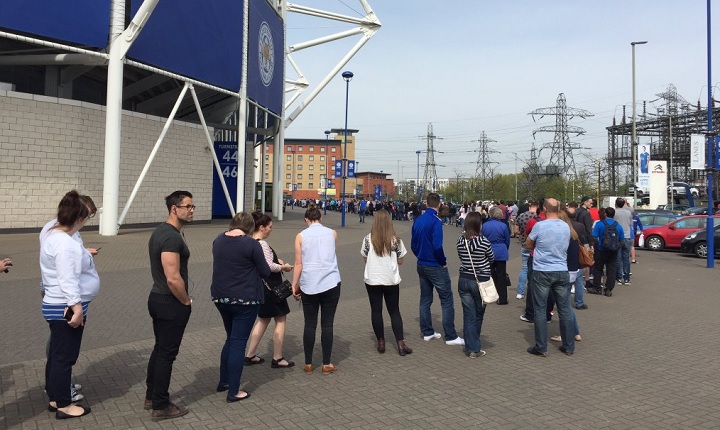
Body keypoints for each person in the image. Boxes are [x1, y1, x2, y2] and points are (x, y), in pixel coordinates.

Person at [40, 190, 98, 419]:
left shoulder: (55, 234)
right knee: (65, 357)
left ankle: (56, 397)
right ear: (79, 217)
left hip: (56, 304)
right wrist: (76, 308)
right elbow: (67, 279)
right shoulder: (64, 243)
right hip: (65, 307)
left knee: (57, 354)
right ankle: (64, 404)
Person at [211, 212, 271, 402]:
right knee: (238, 343)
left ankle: (224, 381)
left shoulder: (218, 240)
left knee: (230, 338)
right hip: (245, 299)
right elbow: (265, 271)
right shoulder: (251, 244)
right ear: (250, 228)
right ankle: (234, 391)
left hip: (221, 298)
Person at [145, 191, 194, 421]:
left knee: (160, 349)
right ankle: (161, 405)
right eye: (188, 206)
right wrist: (185, 301)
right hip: (168, 301)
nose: (192, 210)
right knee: (166, 354)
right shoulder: (170, 237)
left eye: (193, 206)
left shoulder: (163, 232)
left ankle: (151, 396)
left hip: (159, 299)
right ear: (174, 208)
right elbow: (173, 277)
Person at [291, 204, 341, 375]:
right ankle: (326, 363)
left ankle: (308, 363)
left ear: (306, 220)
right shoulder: (332, 233)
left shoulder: (300, 236)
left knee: (310, 324)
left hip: (309, 283)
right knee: (327, 324)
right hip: (330, 282)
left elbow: (299, 264)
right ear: (320, 218)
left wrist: (294, 284)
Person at [411, 192, 464, 346]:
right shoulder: (436, 222)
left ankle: (427, 331)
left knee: (425, 299)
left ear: (426, 204)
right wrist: (443, 261)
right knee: (446, 299)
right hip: (435, 264)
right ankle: (451, 336)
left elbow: (413, 245)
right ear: (439, 205)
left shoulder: (418, 220)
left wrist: (420, 255)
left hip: (421, 263)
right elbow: (437, 246)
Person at [525, 198, 574, 357]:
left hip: (542, 270)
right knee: (564, 308)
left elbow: (528, 243)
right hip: (561, 269)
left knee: (540, 308)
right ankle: (568, 346)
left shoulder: (540, 225)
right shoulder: (565, 226)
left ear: (544, 209)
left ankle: (541, 346)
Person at [244, 212, 295, 369]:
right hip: (271, 288)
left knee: (263, 319)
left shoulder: (248, 242)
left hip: (259, 287)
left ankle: (250, 354)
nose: (271, 230)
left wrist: (275, 261)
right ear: (261, 227)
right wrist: (283, 266)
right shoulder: (262, 244)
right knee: (280, 318)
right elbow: (268, 266)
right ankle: (278, 358)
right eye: (270, 227)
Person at [361, 209, 412, 356]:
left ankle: (381, 342)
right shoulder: (396, 240)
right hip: (390, 279)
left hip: (373, 279)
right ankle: (401, 344)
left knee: (376, 310)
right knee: (394, 311)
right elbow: (401, 261)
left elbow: (365, 257)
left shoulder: (368, 239)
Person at [455, 212, 494, 358]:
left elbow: (461, 256)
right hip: (480, 281)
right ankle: (474, 347)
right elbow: (491, 257)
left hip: (464, 279)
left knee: (468, 313)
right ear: (479, 225)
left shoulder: (460, 241)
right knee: (478, 313)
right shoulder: (484, 241)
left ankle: (471, 343)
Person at [588, 207, 625, 297]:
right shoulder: (618, 225)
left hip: (601, 249)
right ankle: (608, 289)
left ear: (605, 214)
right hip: (613, 251)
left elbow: (594, 236)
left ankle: (597, 287)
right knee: (611, 270)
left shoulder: (600, 224)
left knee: (598, 269)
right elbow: (622, 239)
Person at [483, 206, 511, 305]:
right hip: (501, 251)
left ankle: (489, 295)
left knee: (489, 275)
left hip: (488, 251)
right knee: (501, 275)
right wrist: (505, 248)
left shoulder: (485, 225)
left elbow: (482, 239)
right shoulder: (503, 226)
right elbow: (507, 240)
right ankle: (502, 298)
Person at [514, 201, 538, 300]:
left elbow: (515, 231)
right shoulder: (539, 217)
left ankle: (520, 292)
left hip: (524, 244)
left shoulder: (521, 216)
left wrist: (523, 233)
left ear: (529, 206)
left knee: (524, 268)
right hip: (536, 246)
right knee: (535, 269)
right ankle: (534, 291)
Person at [614, 198, 633, 285]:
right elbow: (630, 223)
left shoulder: (615, 213)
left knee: (618, 258)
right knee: (626, 258)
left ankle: (618, 277)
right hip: (627, 236)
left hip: (618, 237)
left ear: (616, 204)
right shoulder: (628, 212)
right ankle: (626, 278)